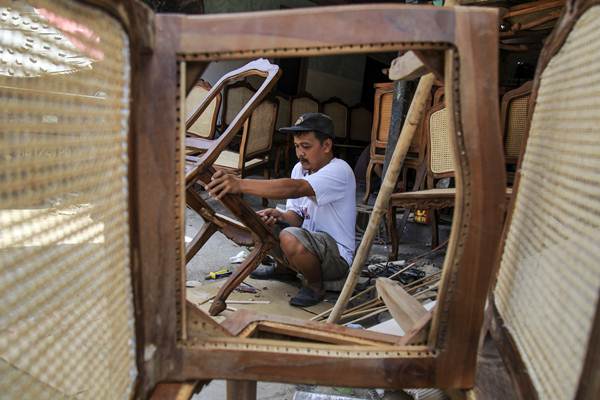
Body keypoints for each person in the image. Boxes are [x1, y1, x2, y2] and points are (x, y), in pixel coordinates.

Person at [206, 112, 356, 307]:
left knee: (289, 236)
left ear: (326, 146)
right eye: (297, 146)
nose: (300, 152)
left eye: (306, 147)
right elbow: (296, 217)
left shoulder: (340, 170)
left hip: (336, 258)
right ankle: (285, 270)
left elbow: (296, 188)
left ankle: (315, 286)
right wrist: (280, 215)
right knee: (262, 222)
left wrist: (240, 184)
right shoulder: (299, 169)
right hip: (308, 244)